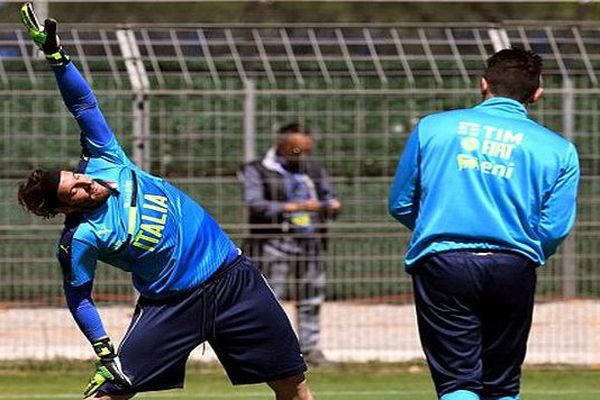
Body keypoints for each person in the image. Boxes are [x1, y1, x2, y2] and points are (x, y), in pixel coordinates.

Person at [17, 4, 313, 400]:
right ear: (68, 209)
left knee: (293, 385)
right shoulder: (83, 238)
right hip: (171, 305)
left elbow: (84, 105)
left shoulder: (107, 160)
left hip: (234, 279)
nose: (86, 183)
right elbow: (79, 298)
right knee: (109, 392)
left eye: (78, 176)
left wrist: (56, 57)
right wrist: (104, 351)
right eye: (76, 191)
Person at [388, 47, 579, 400]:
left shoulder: (434, 127)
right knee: (502, 383)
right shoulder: (559, 149)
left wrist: (437, 226)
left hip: (443, 262)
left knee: (458, 382)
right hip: (513, 263)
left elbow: (400, 202)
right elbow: (554, 227)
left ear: (483, 84)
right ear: (537, 93)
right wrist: (521, 248)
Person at [239, 124, 341, 365]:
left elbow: (329, 196)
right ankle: (267, 351)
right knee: (270, 298)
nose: (303, 157)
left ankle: (310, 349)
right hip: (273, 242)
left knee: (311, 298)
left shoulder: (313, 171)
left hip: (309, 242)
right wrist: (293, 207)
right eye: (297, 151)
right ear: (281, 146)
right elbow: (255, 204)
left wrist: (330, 205)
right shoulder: (257, 170)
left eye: (307, 151)